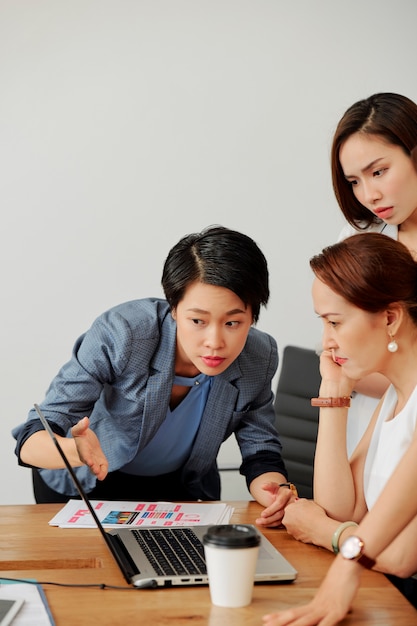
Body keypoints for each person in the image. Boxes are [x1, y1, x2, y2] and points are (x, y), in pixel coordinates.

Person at [13, 225, 295, 525]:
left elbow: (260, 452)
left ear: (253, 315)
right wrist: (74, 451)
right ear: (174, 308)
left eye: (233, 323)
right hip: (90, 484)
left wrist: (273, 491)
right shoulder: (123, 334)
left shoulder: (258, 356)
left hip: (177, 490)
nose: (214, 341)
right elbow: (32, 437)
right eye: (198, 320)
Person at [263, 233, 417, 625]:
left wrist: (325, 532)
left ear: (390, 318)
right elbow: (343, 507)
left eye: (334, 322)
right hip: (389, 596)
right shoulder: (396, 397)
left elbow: (400, 558)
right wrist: (334, 391)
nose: (325, 342)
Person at [331, 92, 417, 454]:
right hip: (372, 427)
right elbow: (339, 352)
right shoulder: (358, 240)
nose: (369, 194)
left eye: (378, 172)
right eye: (354, 181)